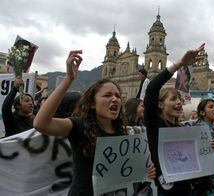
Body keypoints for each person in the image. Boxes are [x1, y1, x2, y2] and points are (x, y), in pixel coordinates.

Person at [33, 50, 156, 196]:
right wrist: (68, 79)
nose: (115, 99)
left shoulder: (124, 132)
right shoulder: (78, 126)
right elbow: (41, 124)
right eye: (107, 95)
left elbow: (126, 169)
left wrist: (144, 170)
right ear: (92, 103)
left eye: (117, 95)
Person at [144, 43, 214, 195]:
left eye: (179, 99)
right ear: (159, 105)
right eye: (173, 99)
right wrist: (180, 64)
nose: (179, 102)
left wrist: (212, 149)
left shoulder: (185, 130)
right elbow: (152, 89)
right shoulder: (155, 125)